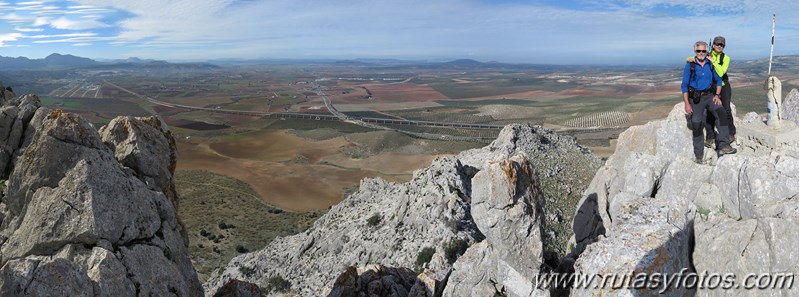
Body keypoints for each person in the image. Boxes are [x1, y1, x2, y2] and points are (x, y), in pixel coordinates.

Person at [681, 41, 736, 164]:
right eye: (698, 51)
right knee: (697, 124)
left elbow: (718, 80)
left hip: (710, 96)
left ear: (707, 52)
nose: (701, 53)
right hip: (696, 100)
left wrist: (717, 95)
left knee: (721, 113)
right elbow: (684, 85)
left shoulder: (710, 64)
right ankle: (699, 154)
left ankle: (723, 145)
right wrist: (686, 103)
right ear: (695, 51)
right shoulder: (690, 65)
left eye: (703, 51)